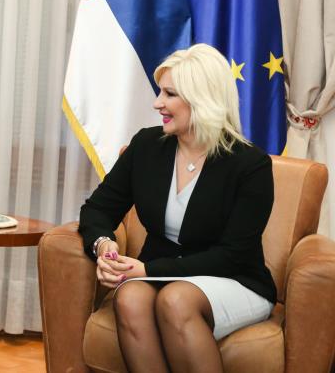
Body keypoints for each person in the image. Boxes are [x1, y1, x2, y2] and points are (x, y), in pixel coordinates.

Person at [78, 44, 276, 373]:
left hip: (233, 278)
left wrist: (148, 271)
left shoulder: (250, 165)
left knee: (176, 300)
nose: (158, 103)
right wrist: (103, 246)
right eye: (161, 92)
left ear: (202, 99)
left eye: (169, 94)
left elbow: (234, 255)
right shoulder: (146, 146)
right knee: (130, 298)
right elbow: (97, 209)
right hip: (161, 274)